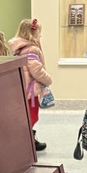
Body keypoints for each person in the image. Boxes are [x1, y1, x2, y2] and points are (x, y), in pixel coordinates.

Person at [9, 18, 53, 153]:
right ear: (32, 34)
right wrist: (48, 80)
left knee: (26, 114)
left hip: (22, 88)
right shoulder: (31, 50)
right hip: (31, 90)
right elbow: (36, 70)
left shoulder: (18, 48)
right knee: (32, 116)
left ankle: (27, 138)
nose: (40, 36)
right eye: (39, 33)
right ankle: (27, 140)